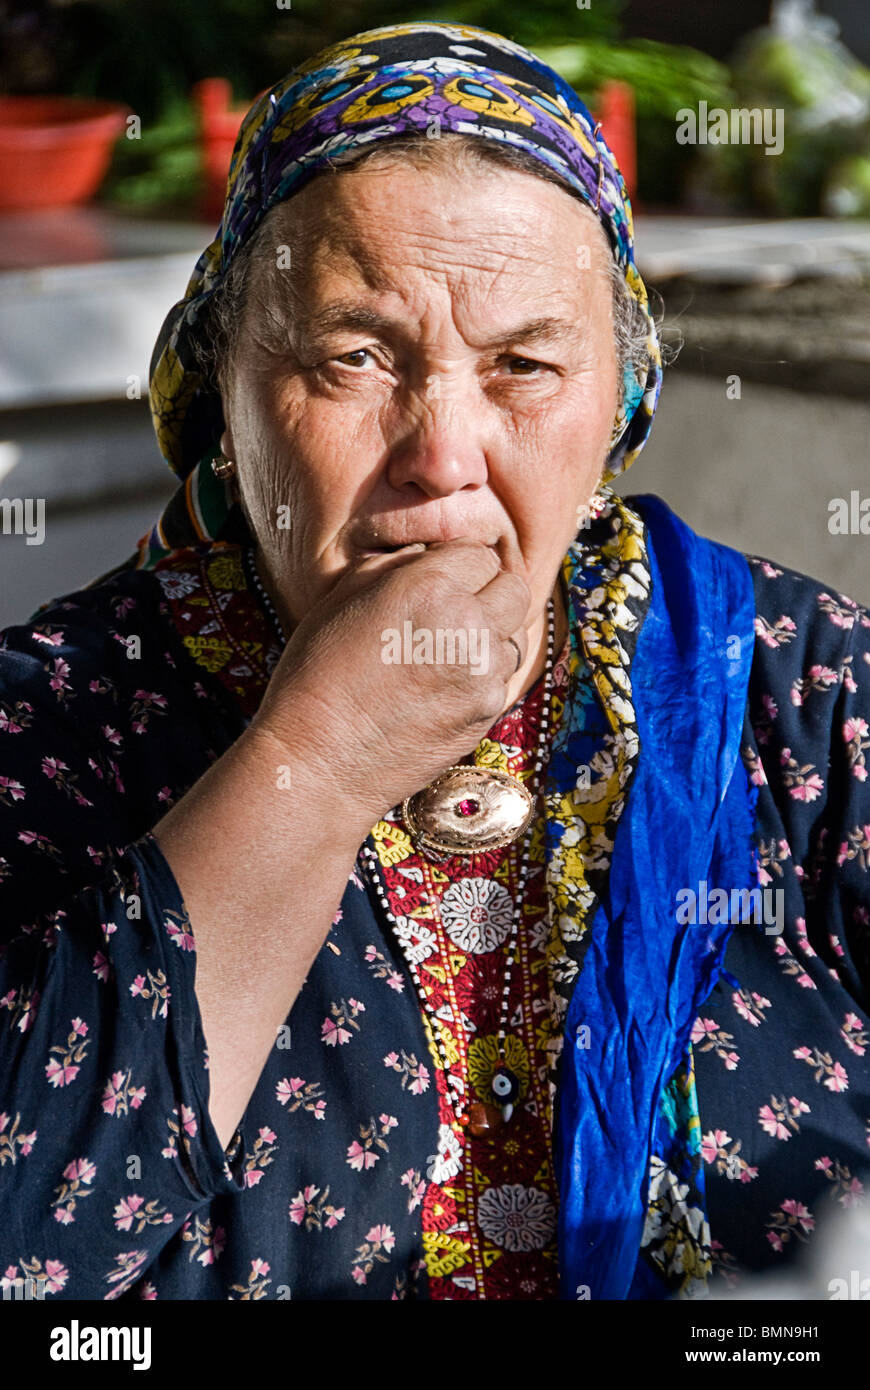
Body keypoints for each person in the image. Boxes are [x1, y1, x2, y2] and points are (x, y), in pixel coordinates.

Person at [1, 20, 868, 1303]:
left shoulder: (803, 694)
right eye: (354, 357)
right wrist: (319, 756)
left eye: (523, 365)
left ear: (620, 403)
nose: (442, 455)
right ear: (221, 393)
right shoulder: (55, 725)